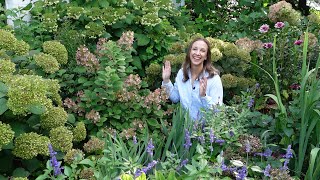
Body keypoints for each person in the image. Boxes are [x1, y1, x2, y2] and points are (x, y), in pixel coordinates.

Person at [162, 37, 223, 120]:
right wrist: (166, 81)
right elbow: (175, 98)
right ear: (190, 52)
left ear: (206, 57)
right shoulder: (182, 73)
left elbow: (218, 112)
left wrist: (203, 97)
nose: (197, 53)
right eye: (194, 49)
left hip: (205, 130)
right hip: (185, 129)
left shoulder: (214, 79)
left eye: (202, 51)